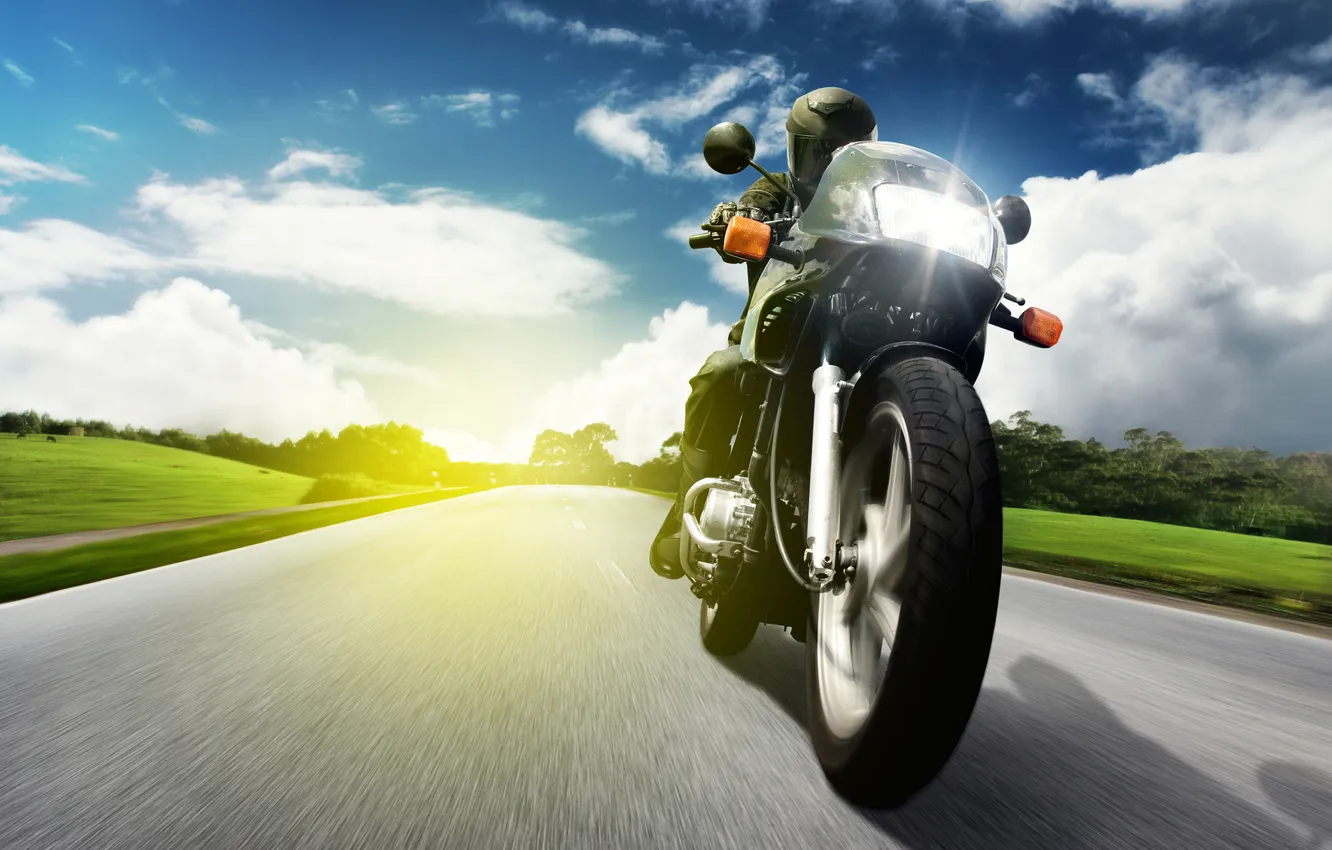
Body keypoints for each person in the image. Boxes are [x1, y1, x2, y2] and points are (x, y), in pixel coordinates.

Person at [650, 86, 879, 580]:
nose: (834, 162)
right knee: (719, 372)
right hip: (776, 333)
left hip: (864, 333)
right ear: (800, 149)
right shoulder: (776, 188)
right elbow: (748, 210)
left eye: (848, 152)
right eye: (823, 151)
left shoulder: (879, 205)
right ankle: (681, 516)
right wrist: (738, 217)